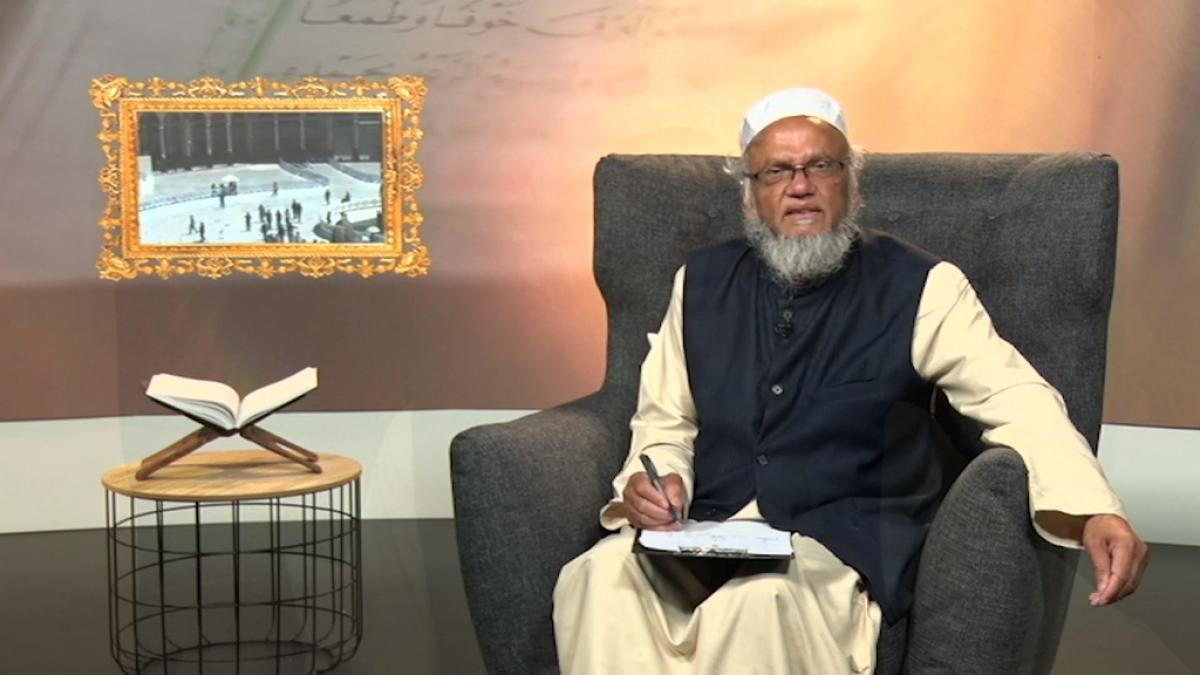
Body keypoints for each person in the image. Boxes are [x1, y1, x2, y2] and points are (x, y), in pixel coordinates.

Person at [552, 88, 1149, 675]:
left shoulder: (922, 286)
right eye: (776, 171)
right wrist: (657, 481)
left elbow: (1013, 397)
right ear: (751, 195)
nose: (800, 185)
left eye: (821, 166)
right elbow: (667, 419)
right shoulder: (700, 282)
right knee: (597, 579)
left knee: (756, 606)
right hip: (707, 526)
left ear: (851, 182)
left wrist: (1095, 509)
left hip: (837, 539)